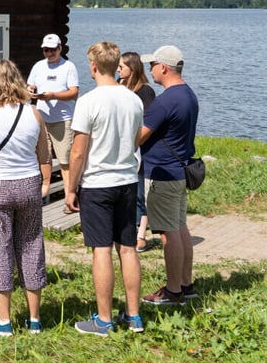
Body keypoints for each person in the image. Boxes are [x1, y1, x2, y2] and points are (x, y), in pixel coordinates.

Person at [0, 59, 51, 337]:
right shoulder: (34, 114)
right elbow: (44, 156)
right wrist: (46, 182)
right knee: (31, 246)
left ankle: (4, 320)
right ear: (18, 80)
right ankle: (35, 319)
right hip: (27, 184)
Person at [67, 41, 145, 336]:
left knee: (101, 249)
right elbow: (136, 138)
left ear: (94, 66)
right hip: (127, 180)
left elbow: (77, 152)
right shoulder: (134, 99)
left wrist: (71, 188)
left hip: (98, 183)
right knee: (127, 249)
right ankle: (134, 315)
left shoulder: (89, 101)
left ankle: (103, 319)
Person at [138, 45, 200, 306]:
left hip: (162, 174)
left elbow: (140, 135)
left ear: (163, 67)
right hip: (179, 172)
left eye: (152, 64)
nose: (149, 69)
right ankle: (186, 284)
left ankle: (173, 291)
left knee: (167, 234)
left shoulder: (165, 100)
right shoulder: (189, 95)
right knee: (180, 228)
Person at [27, 34, 79, 196]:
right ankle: (43, 193)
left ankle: (70, 195)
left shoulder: (68, 66)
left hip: (62, 119)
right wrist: (31, 93)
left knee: (65, 160)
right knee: (44, 157)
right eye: (45, 50)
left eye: (52, 50)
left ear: (59, 48)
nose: (49, 53)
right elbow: (30, 86)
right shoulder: (38, 66)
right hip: (41, 118)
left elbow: (74, 92)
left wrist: (53, 95)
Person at [118, 51, 156, 253]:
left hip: (139, 148)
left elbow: (149, 123)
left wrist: (135, 142)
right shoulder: (119, 86)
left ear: (132, 69)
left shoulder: (145, 92)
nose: (118, 70)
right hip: (120, 146)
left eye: (121, 67)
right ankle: (127, 228)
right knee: (127, 192)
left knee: (140, 193)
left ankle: (141, 234)